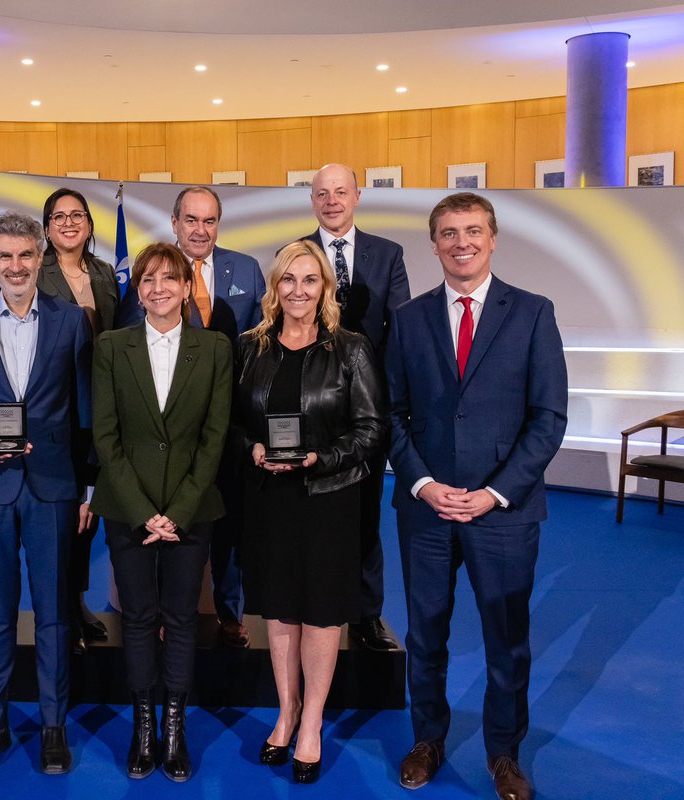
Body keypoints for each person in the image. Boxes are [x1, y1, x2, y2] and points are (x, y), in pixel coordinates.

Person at [387, 193, 567, 800]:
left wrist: (495, 493)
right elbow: (392, 414)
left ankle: (503, 754)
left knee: (505, 639)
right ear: (433, 243)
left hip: (503, 513)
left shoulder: (534, 313)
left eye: (472, 231)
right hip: (427, 510)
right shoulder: (409, 319)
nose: (461, 243)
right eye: (448, 233)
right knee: (424, 633)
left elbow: (548, 418)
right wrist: (423, 483)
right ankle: (427, 740)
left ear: (493, 239)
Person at [0, 209, 93, 778]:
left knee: (55, 614)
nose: (15, 266)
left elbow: (85, 410)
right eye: (4, 256)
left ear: (40, 257)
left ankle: (53, 726)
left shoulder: (71, 321)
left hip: (53, 487)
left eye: (25, 255)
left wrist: (89, 485)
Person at [234, 240, 384, 784]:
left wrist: (323, 458)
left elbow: (371, 429)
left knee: (321, 614)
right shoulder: (251, 347)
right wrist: (251, 449)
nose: (298, 290)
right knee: (279, 612)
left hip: (329, 499)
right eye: (288, 280)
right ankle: (286, 710)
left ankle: (313, 721)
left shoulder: (352, 349)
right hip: (270, 500)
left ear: (325, 288)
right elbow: (230, 424)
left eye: (310, 280)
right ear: (275, 287)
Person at [91, 242, 231, 782]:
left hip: (192, 511)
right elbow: (106, 436)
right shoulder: (111, 346)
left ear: (184, 286)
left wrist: (178, 511)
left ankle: (175, 729)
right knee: (139, 617)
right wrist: (144, 512)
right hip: (128, 510)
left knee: (181, 618)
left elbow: (214, 438)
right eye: (146, 279)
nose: (157, 288)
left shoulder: (215, 347)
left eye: (168, 279)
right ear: (138, 289)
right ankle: (142, 726)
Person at [118, 185, 266, 649]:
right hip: (165, 427)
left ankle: (228, 607)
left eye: (209, 221)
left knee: (228, 520)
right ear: (175, 222)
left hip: (228, 422)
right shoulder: (151, 274)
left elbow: (262, 341)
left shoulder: (245, 269)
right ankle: (161, 609)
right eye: (192, 220)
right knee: (166, 515)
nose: (200, 229)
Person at [303, 162, 411, 652]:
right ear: (313, 199)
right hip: (310, 408)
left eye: (340, 191)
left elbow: (401, 336)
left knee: (366, 517)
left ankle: (366, 614)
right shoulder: (298, 255)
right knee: (311, 512)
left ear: (357, 196)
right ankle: (309, 601)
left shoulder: (388, 255)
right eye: (323, 193)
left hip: (368, 410)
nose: (332, 200)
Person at [36, 187, 120, 654]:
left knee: (91, 509)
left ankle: (77, 599)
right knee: (60, 513)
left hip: (100, 405)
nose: (69, 223)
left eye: (78, 215)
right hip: (55, 407)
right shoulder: (37, 272)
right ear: (47, 227)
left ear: (89, 224)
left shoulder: (105, 273)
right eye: (59, 216)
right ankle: (59, 606)